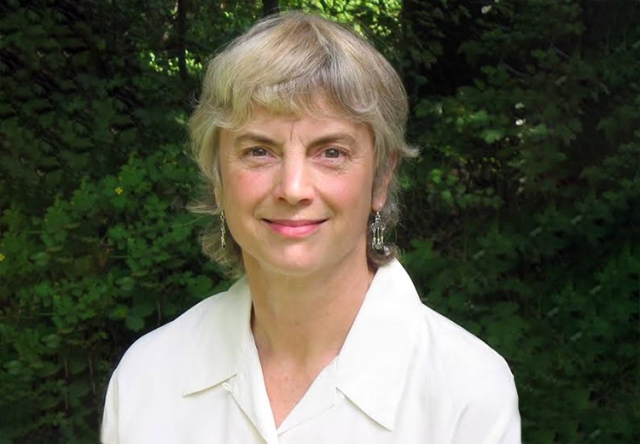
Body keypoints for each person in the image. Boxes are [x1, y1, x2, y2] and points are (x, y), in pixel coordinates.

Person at [101, 11, 521, 444]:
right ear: (217, 177)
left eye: (332, 152)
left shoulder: (467, 394)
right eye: (259, 151)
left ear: (380, 179)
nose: (294, 188)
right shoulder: (147, 379)